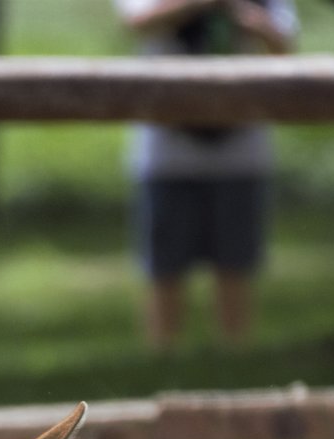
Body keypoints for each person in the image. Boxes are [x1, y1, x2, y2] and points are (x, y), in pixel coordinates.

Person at [116, 0, 298, 350]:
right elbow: (137, 21)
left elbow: (283, 43)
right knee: (164, 268)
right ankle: (163, 357)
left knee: (235, 265)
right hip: (167, 148)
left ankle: (234, 359)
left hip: (241, 146)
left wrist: (249, 20)